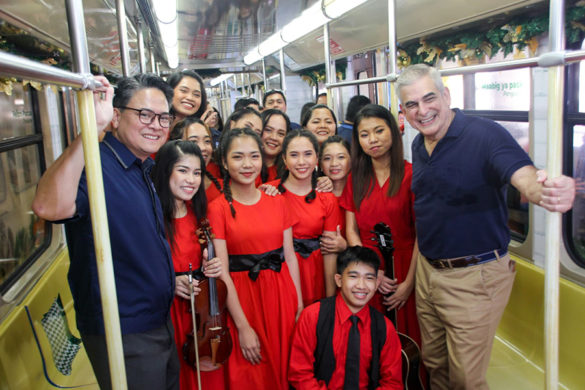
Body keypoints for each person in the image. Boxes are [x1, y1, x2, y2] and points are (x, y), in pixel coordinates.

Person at [396, 63, 576, 390]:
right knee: (435, 363)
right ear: (404, 111)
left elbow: (522, 175)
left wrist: (547, 190)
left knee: (466, 378)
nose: (422, 111)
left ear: (446, 95)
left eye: (429, 98)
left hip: (474, 277)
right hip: (428, 271)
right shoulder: (419, 146)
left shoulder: (484, 134)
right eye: (412, 104)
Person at [31, 74, 180, 390]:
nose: (156, 124)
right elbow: (48, 208)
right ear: (115, 116)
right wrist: (89, 132)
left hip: (157, 321)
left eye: (164, 117)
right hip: (123, 329)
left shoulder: (142, 166)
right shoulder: (94, 163)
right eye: (144, 115)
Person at [208, 128, 303, 389]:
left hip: (281, 295)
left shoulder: (277, 201)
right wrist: (242, 326)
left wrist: (298, 304)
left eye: (254, 156)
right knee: (251, 372)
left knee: (285, 368)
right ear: (225, 163)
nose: (247, 164)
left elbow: (290, 256)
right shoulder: (218, 208)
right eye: (238, 157)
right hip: (243, 299)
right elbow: (222, 271)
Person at [339, 104, 421, 349]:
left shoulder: (411, 175)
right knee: (372, 343)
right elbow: (351, 230)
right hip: (367, 272)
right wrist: (372, 272)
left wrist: (408, 284)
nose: (372, 140)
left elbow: (421, 235)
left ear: (393, 132)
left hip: (407, 269)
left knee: (409, 341)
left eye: (379, 131)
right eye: (364, 135)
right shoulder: (355, 179)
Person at [151, 140, 226, 390]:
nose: (191, 180)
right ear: (165, 171)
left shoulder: (199, 213)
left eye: (197, 173)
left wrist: (212, 268)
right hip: (167, 313)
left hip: (201, 312)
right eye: (183, 170)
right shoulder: (151, 218)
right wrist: (170, 282)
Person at [288, 246, 403, 390]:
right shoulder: (312, 316)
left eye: (369, 278)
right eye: (353, 276)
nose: (361, 286)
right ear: (339, 280)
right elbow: (300, 374)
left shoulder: (385, 327)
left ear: (376, 284)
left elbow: (392, 383)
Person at [275, 129, 341, 303]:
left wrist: (330, 299)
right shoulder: (270, 193)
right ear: (284, 159)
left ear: (316, 158)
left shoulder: (326, 197)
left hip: (314, 275)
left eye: (308, 154)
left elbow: (330, 253)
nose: (302, 162)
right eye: (294, 155)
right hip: (279, 273)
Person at [170, 117, 223, 202]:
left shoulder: (223, 188)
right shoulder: (168, 191)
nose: (203, 148)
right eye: (193, 141)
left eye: (207, 141)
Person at [319, 136, 351, 257]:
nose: (334, 164)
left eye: (341, 157)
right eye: (327, 158)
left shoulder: (360, 193)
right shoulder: (315, 193)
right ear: (320, 164)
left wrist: (346, 246)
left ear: (351, 160)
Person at [258, 109, 291, 184]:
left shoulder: (291, 169)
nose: (274, 137)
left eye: (281, 134)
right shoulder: (247, 167)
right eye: (268, 130)